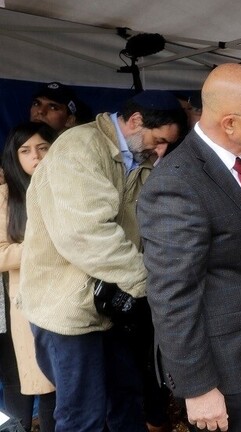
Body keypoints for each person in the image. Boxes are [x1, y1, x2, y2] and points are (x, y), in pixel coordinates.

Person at [19, 90, 186, 431]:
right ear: (136, 121)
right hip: (68, 310)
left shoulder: (139, 158)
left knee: (126, 400)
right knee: (82, 416)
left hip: (112, 305)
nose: (161, 151)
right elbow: (86, 234)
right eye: (158, 141)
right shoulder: (79, 149)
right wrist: (147, 282)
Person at [138, 63, 241, 432]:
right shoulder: (178, 184)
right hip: (219, 368)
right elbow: (172, 295)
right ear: (229, 123)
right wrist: (198, 387)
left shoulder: (234, 162)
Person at [0, 122, 57, 432]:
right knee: (45, 384)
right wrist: (41, 245)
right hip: (30, 301)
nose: (35, 156)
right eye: (25, 150)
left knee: (67, 385)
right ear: (15, 156)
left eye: (42, 148)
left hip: (70, 297)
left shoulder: (67, 186)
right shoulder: (6, 195)